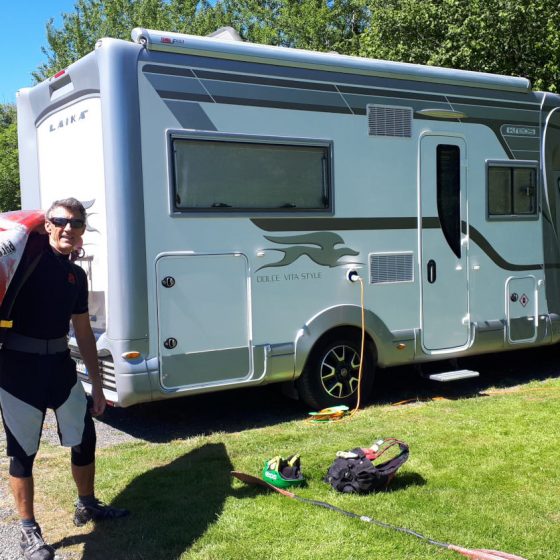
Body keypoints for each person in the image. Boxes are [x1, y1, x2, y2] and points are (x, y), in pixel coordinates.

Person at [0, 198, 128, 560]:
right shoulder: (25, 260)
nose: (69, 228)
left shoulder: (76, 274)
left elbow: (84, 332)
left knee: (84, 438)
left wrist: (99, 384)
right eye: (60, 221)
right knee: (23, 452)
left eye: (77, 223)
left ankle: (86, 504)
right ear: (47, 225)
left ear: (83, 231)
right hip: (17, 370)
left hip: (60, 365)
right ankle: (28, 530)